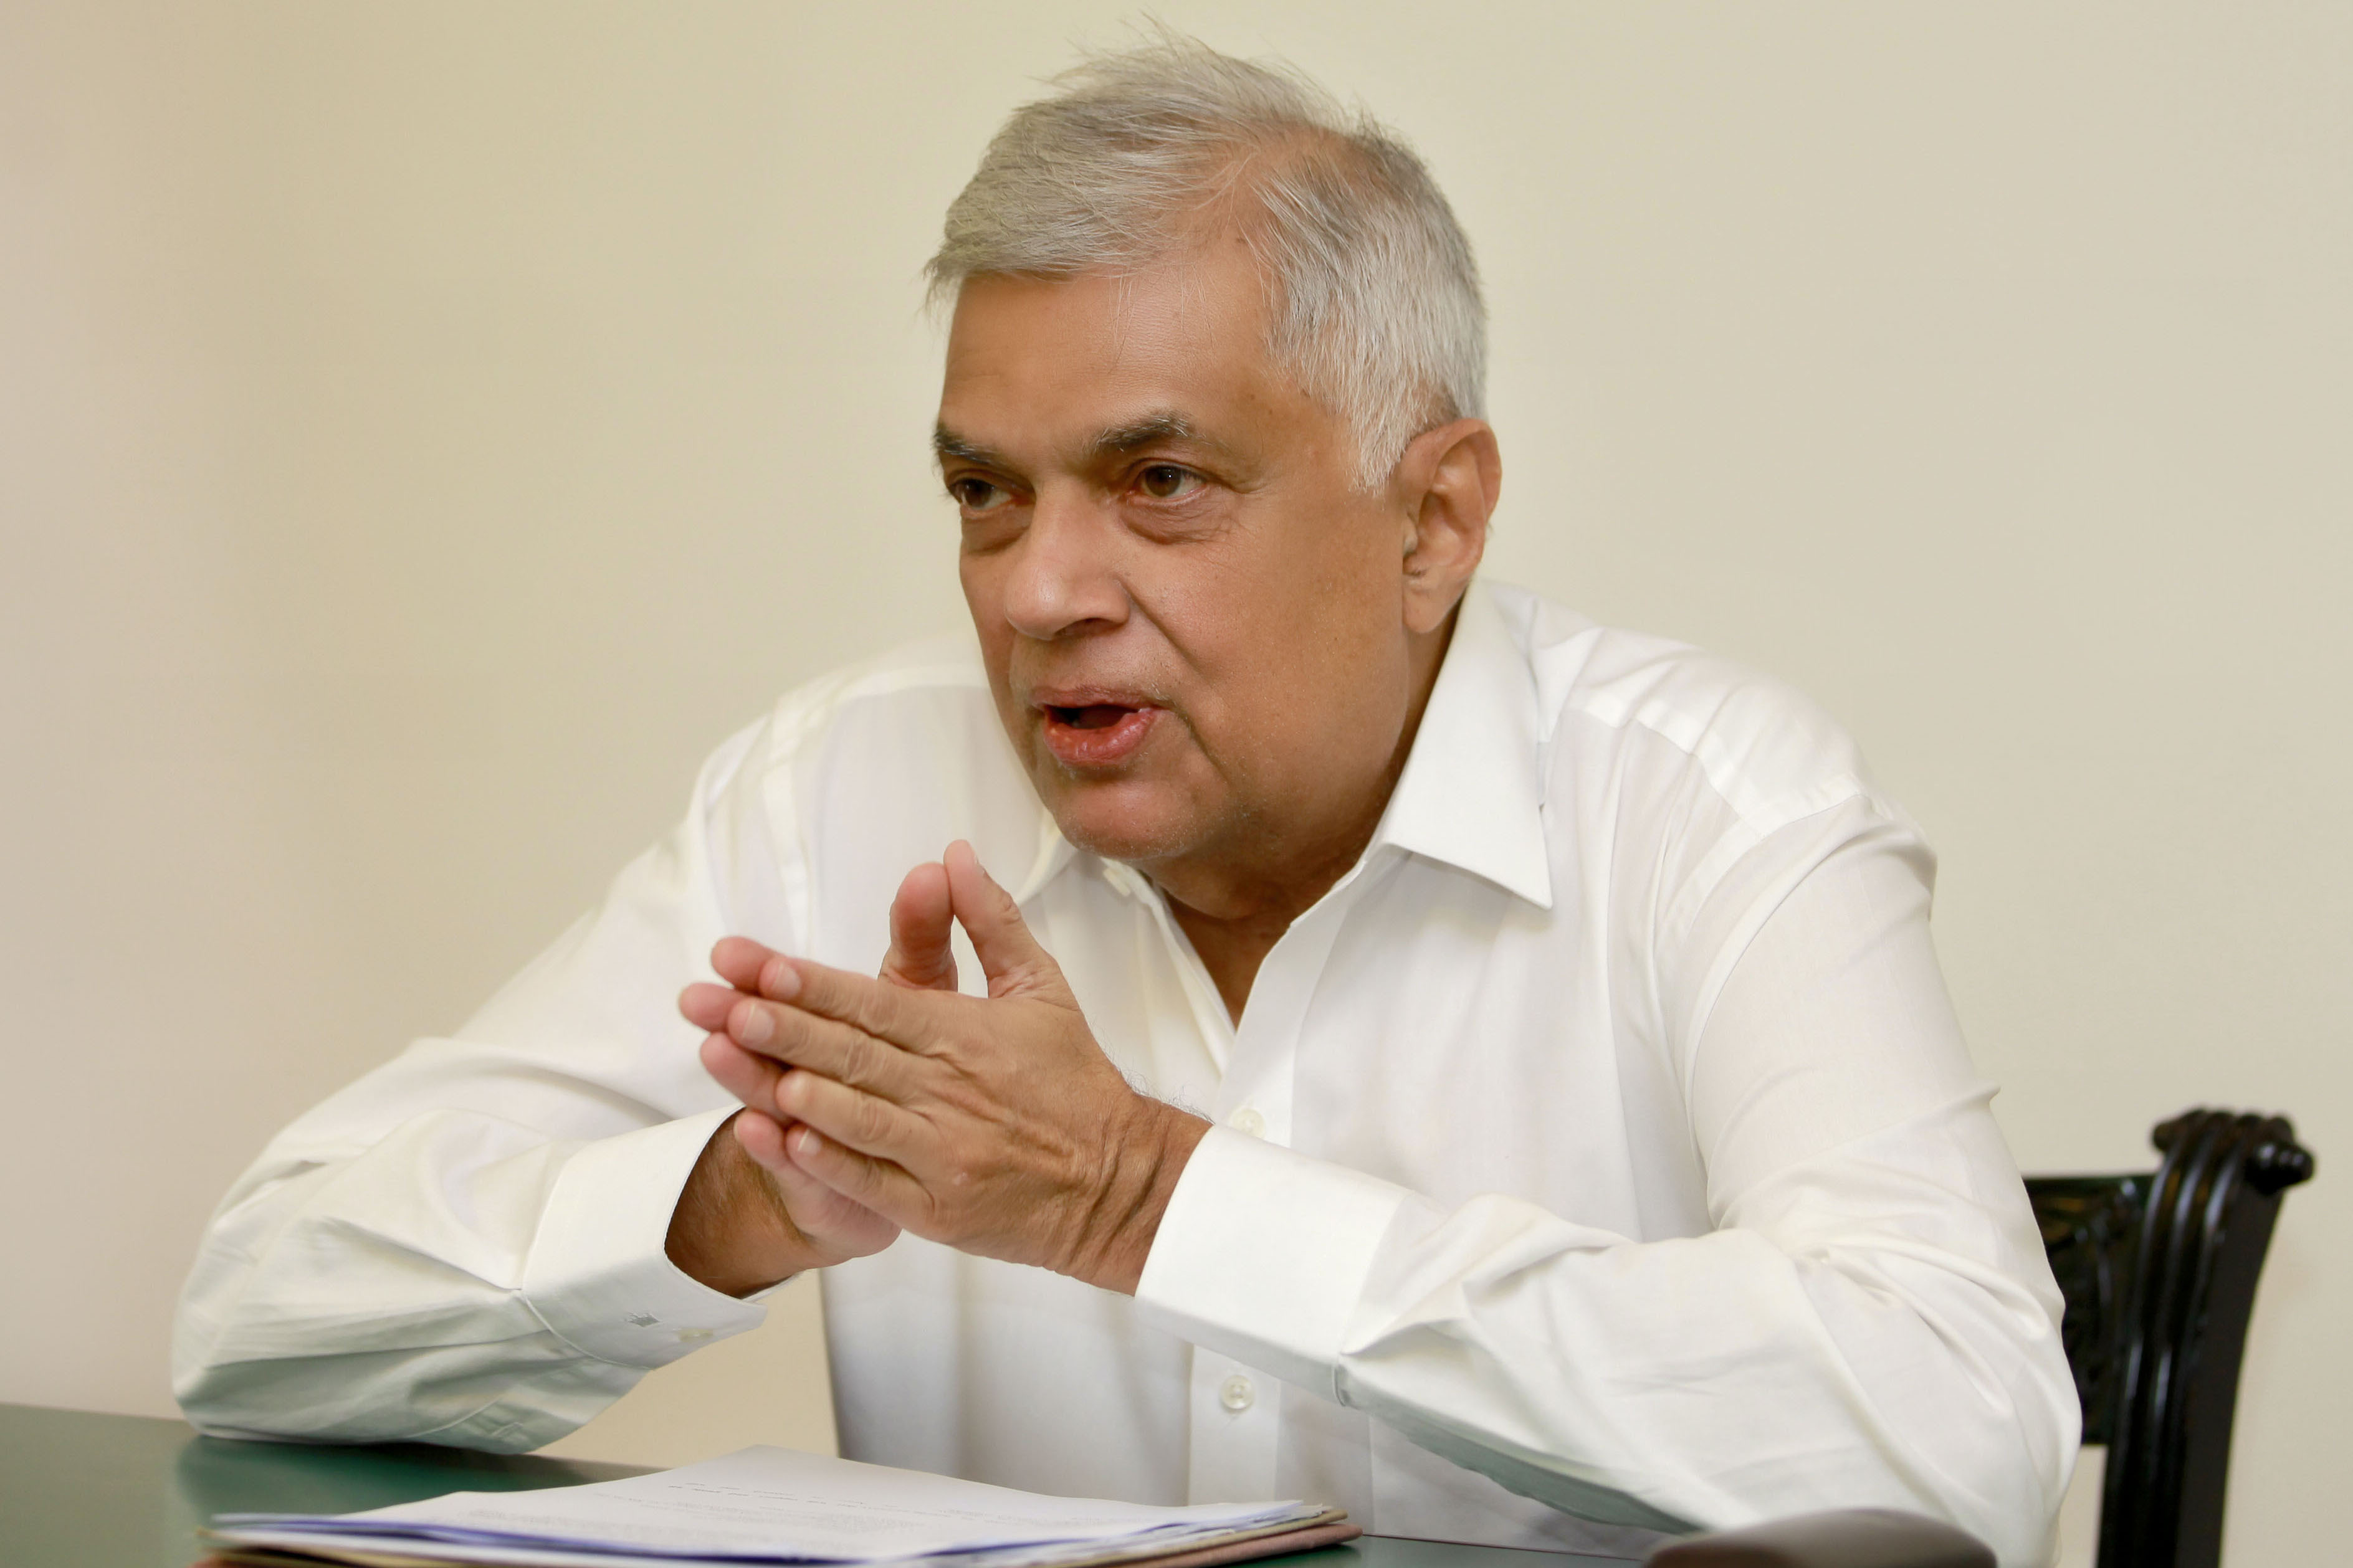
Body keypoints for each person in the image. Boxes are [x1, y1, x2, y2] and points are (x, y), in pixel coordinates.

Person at [173, 35, 2078, 1568]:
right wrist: (727, 1203)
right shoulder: (844, 785)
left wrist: (1149, 1198)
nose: (1035, 590)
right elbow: (259, 1314)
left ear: (1434, 521)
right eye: (984, 494)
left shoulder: (1712, 802)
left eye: (1160, 482)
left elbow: (1967, 1435)